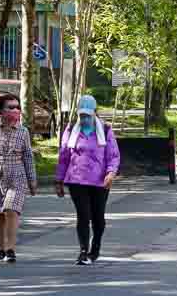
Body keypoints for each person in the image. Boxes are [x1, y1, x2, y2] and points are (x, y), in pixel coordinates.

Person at [55, 95, 120, 265]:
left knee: (98, 217)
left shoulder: (105, 130)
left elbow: (113, 156)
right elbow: (63, 157)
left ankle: (95, 245)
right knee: (83, 216)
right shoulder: (71, 130)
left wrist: (111, 173)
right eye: (81, 115)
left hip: (100, 181)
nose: (84, 119)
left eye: (87, 115)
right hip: (76, 180)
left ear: (94, 113)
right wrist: (59, 180)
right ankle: (83, 251)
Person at [0, 93, 37, 263]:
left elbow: (28, 157)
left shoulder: (23, 131)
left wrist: (32, 180)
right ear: (1, 111)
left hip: (17, 176)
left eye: (17, 107)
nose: (15, 110)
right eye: (10, 107)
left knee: (11, 210)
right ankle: (2, 248)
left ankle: (11, 249)